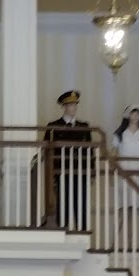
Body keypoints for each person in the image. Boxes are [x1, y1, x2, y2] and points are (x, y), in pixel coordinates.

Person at [45, 91, 98, 232]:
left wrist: (91, 171)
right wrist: (51, 174)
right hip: (61, 172)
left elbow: (89, 150)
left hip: (80, 172)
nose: (74, 107)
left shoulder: (84, 126)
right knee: (63, 204)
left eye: (75, 104)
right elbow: (47, 151)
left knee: (82, 204)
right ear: (64, 106)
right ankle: (63, 232)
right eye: (70, 105)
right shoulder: (53, 126)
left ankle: (82, 233)